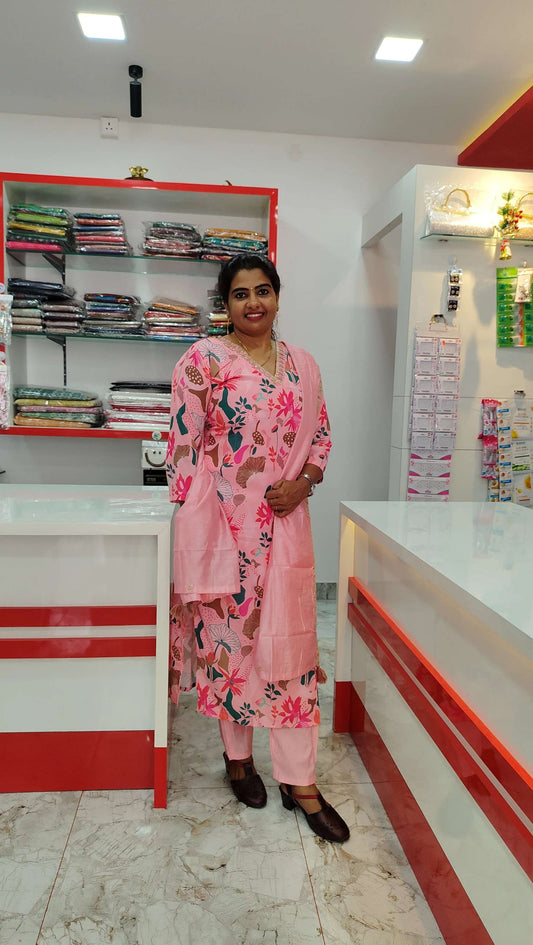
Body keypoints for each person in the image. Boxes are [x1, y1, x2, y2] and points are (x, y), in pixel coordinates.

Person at [166, 253, 349, 843]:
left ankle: (301, 783)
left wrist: (305, 482)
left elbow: (321, 439)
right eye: (241, 293)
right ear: (225, 303)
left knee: (291, 654)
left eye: (263, 290)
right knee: (231, 650)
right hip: (223, 534)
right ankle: (238, 759)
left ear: (277, 296)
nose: (253, 303)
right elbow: (183, 447)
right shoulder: (203, 359)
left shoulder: (304, 365)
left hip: (286, 530)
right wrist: (196, 525)